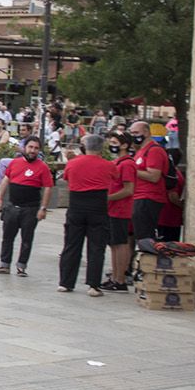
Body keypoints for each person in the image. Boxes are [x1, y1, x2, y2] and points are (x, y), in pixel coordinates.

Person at [58, 134, 114, 296]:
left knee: (71, 245)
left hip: (76, 206)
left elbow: (67, 179)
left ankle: (65, 282)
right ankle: (93, 285)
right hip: (98, 207)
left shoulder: (73, 163)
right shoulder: (108, 165)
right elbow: (115, 177)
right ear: (101, 148)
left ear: (85, 146)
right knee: (96, 247)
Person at [0, 136, 52, 277]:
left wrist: (43, 208)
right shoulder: (14, 163)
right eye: (30, 147)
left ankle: (22, 266)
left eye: (36, 148)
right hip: (12, 207)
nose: (32, 150)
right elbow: (6, 180)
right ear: (25, 148)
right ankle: (4, 265)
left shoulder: (43, 167)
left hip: (30, 208)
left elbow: (48, 187)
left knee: (27, 238)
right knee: (7, 237)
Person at [127, 120, 170, 251]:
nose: (133, 136)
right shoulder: (142, 150)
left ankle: (150, 263)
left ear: (146, 132)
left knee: (145, 236)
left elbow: (154, 176)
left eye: (136, 133)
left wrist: (132, 170)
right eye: (131, 133)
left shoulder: (154, 150)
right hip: (140, 196)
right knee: (140, 234)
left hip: (148, 197)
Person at [104, 132, 137, 291]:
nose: (112, 145)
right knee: (114, 243)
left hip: (120, 210)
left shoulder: (127, 164)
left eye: (115, 142)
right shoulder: (117, 162)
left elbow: (129, 189)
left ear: (124, 145)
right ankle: (116, 277)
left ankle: (120, 279)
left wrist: (109, 198)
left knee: (120, 243)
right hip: (112, 210)